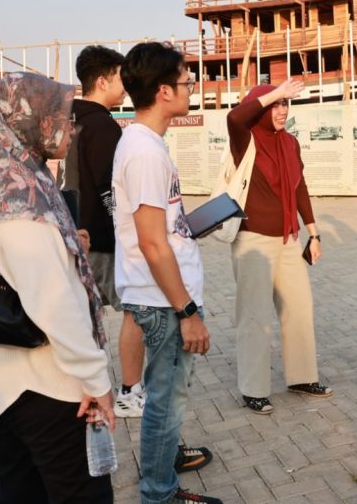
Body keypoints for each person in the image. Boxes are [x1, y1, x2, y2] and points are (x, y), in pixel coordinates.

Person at [0, 72, 114, 503]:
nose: (70, 128)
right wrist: (96, 380)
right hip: (46, 388)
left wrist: (64, 245)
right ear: (29, 120)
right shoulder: (16, 197)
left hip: (3, 386)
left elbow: (15, 264)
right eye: (61, 117)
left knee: (22, 489)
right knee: (81, 495)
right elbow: (53, 302)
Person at [112, 42, 219, 504]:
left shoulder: (146, 144)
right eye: (186, 82)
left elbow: (160, 230)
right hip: (163, 302)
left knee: (167, 399)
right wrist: (187, 311)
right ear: (163, 91)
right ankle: (159, 493)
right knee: (166, 402)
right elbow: (152, 243)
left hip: (163, 295)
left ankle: (161, 481)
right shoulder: (144, 151)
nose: (191, 88)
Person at [227, 80, 332, 415]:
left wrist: (314, 233)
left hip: (289, 239)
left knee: (299, 309)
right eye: (275, 105)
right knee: (255, 316)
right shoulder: (246, 138)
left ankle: (302, 377)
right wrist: (274, 93)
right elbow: (234, 118)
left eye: (286, 104)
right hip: (253, 240)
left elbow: (300, 188)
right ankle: (254, 389)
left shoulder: (290, 142)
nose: (282, 110)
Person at [61, 44, 149, 419]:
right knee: (137, 308)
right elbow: (108, 187)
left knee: (82, 318)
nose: (124, 87)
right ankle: (130, 391)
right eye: (119, 78)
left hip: (74, 233)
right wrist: (127, 225)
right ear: (101, 81)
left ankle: (81, 392)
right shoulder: (102, 125)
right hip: (101, 239)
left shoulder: (69, 120)